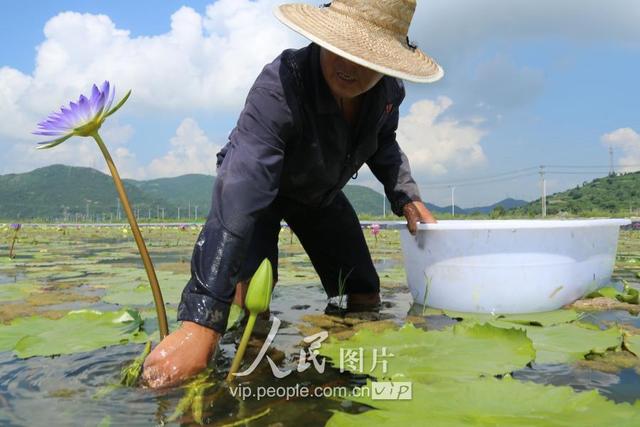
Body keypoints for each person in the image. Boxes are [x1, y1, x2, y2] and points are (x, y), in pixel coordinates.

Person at [142, 0, 443, 388]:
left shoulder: (388, 94)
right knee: (251, 298)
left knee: (364, 290)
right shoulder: (280, 84)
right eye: (342, 47)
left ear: (389, 62)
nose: (349, 65)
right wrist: (200, 320)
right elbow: (242, 188)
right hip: (261, 194)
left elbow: (384, 144)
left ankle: (338, 368)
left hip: (319, 193)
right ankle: (251, 368)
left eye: (367, 57)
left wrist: (406, 196)